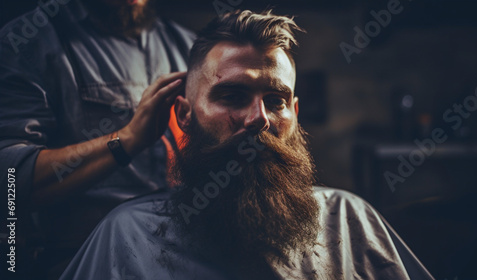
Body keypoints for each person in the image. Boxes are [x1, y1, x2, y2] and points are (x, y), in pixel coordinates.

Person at [60, 9, 435, 280]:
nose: (259, 119)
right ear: (185, 115)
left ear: (295, 112)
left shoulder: (349, 220)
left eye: (276, 101)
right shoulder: (128, 236)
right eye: (232, 95)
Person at [0, 0, 193, 278]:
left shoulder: (184, 44)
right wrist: (126, 140)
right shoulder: (27, 42)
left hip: (178, 253)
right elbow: (9, 180)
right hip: (81, 258)